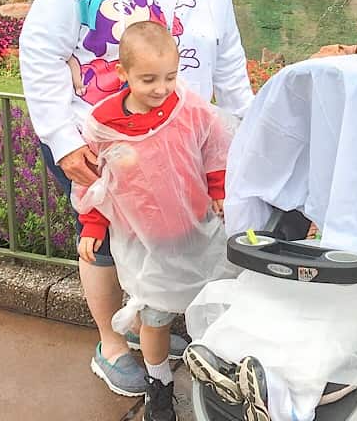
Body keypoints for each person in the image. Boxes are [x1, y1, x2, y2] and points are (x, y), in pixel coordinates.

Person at [19, 0, 254, 397]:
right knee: (102, 240)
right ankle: (112, 343)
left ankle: (155, 324)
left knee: (173, 240)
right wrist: (61, 139)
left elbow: (228, 52)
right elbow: (39, 47)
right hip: (102, 141)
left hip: (184, 141)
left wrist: (241, 129)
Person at [74, 21, 234, 421]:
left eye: (170, 76)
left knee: (213, 306)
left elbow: (215, 146)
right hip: (147, 246)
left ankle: (216, 380)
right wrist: (94, 225)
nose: (162, 88)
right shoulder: (104, 125)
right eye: (148, 79)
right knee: (155, 316)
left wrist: (219, 191)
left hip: (196, 231)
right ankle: (158, 384)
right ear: (122, 74)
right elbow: (97, 180)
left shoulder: (187, 107)